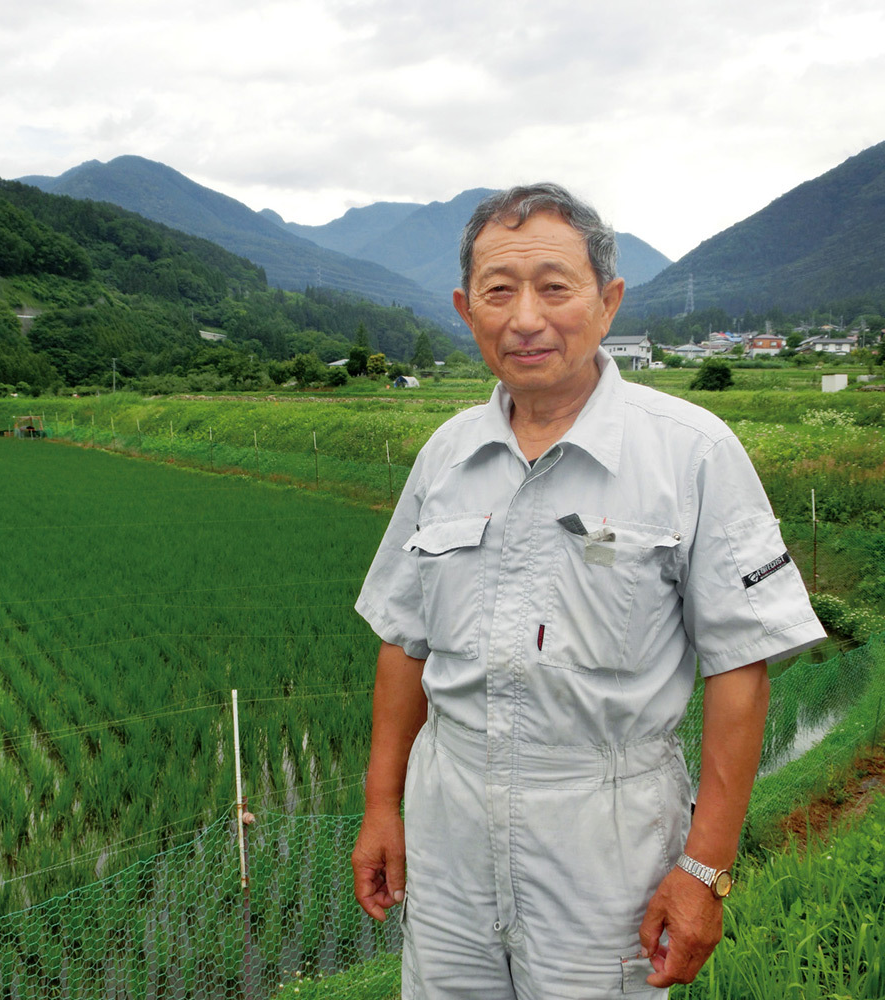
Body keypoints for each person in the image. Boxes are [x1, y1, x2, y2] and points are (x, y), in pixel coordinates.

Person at [351, 183, 826, 999]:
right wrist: (381, 806)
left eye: (554, 286)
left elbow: (740, 666)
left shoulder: (693, 453)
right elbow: (404, 639)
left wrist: (704, 868)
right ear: (468, 311)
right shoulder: (445, 455)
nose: (525, 317)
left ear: (607, 302)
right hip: (448, 828)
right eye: (499, 292)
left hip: (607, 837)